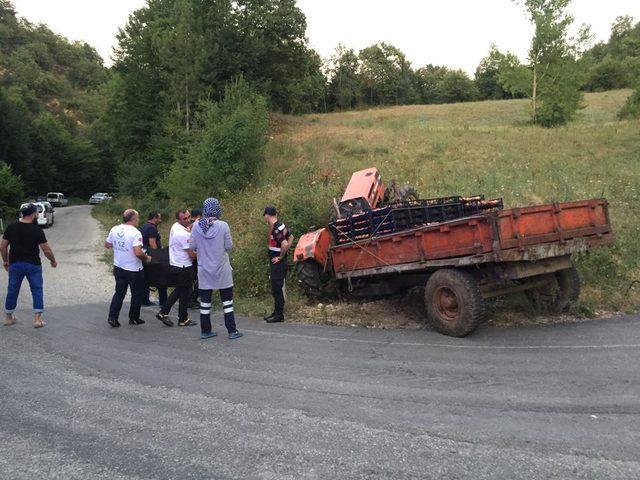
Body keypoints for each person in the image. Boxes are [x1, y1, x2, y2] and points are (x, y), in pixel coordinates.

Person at [190, 198, 242, 340]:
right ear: (217, 209)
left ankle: (205, 331)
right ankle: (232, 331)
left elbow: (192, 246)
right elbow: (229, 246)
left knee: (205, 303)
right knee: (227, 302)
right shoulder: (223, 225)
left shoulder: (196, 226)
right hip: (221, 268)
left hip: (204, 269)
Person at [1, 203, 57, 328]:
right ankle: (37, 319)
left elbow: (3, 246)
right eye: (36, 212)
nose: (37, 214)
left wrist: (5, 260)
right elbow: (46, 249)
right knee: (37, 290)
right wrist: (52, 260)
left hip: (15, 264)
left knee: (12, 290)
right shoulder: (37, 230)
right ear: (33, 215)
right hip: (33, 265)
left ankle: (9, 318)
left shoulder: (11, 227)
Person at [104, 209, 151, 328]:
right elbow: (138, 253)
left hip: (119, 266)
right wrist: (146, 258)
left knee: (119, 292)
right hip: (133, 269)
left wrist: (120, 244)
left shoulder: (114, 229)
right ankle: (134, 318)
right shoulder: (135, 232)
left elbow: (107, 244)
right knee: (137, 293)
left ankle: (112, 318)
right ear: (133, 219)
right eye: (138, 218)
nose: (138, 220)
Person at [155, 210, 197, 327]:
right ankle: (182, 319)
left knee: (180, 290)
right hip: (184, 266)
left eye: (189, 217)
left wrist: (192, 226)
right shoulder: (183, 235)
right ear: (179, 220)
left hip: (175, 263)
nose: (188, 220)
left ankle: (165, 312)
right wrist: (205, 254)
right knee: (185, 293)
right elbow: (192, 255)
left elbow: (187, 228)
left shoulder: (175, 226)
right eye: (185, 219)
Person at [263, 206, 293, 323]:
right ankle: (276, 312)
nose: (264, 218)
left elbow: (284, 244)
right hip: (279, 262)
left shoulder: (276, 229)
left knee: (277, 289)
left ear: (267, 215)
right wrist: (284, 254)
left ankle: (279, 315)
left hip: (277, 263)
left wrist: (280, 256)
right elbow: (291, 237)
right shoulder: (281, 225)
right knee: (276, 288)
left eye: (265, 216)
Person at [140, 211, 167, 307]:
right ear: (155, 218)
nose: (160, 220)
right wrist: (158, 256)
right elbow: (152, 243)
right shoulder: (152, 228)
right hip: (152, 256)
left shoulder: (144, 226)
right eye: (159, 218)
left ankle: (144, 300)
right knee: (161, 279)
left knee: (146, 278)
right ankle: (164, 302)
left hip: (145, 254)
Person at [188, 208, 202, 308]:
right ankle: (192, 299)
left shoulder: (186, 225)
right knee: (198, 278)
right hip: (196, 254)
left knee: (190, 279)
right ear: (199, 216)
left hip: (187, 255)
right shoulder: (197, 225)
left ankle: (189, 299)